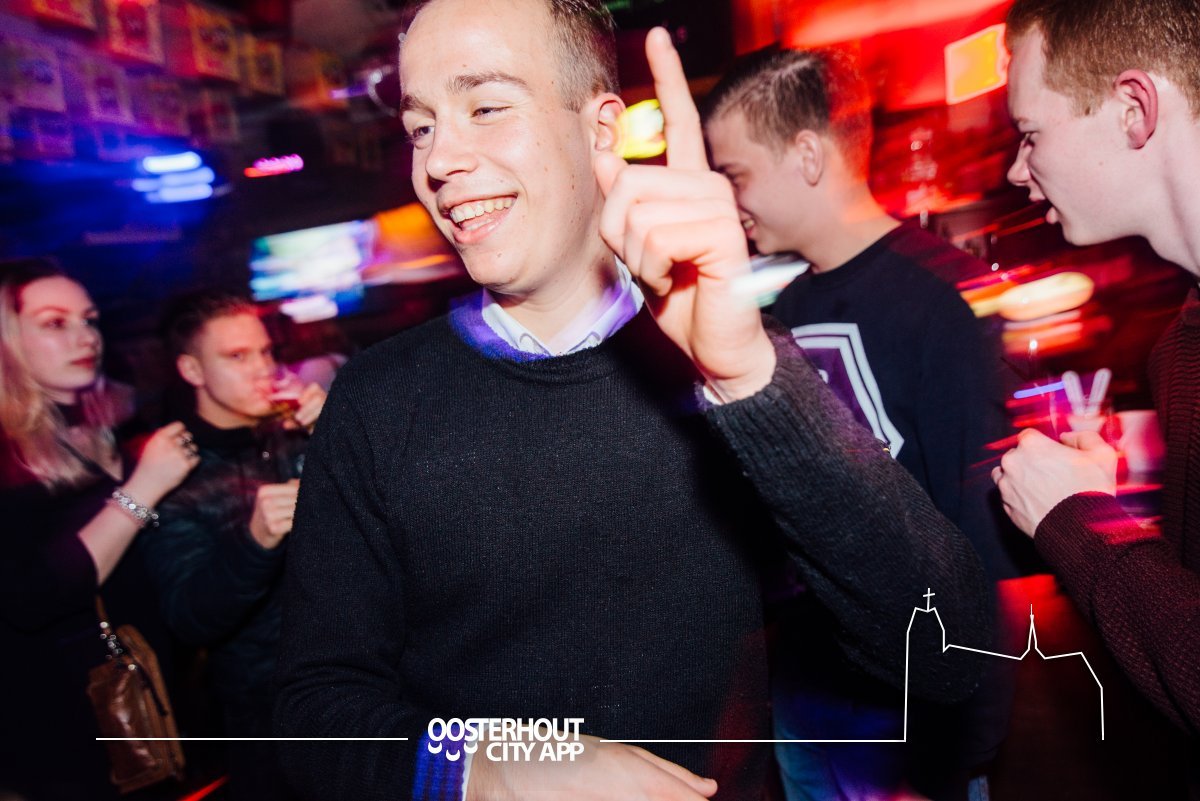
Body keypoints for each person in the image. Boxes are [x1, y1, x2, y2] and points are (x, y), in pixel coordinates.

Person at [273, 2, 994, 800]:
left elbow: (947, 653)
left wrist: (746, 376)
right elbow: (313, 711)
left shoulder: (732, 363)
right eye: (421, 127)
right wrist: (490, 764)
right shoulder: (376, 403)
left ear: (602, 131)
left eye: (486, 107)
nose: (439, 159)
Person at [702, 48, 1015, 801]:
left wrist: (961, 742)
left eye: (735, 174)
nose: (729, 201)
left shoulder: (941, 301)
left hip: (915, 710)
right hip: (810, 692)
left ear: (807, 156)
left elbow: (980, 534)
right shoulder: (781, 309)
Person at [993, 0, 1200, 785]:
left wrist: (1083, 520)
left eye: (1030, 133)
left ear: (1133, 108)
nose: (1016, 169)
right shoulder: (1178, 348)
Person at [0, 259, 198, 801]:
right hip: (59, 726)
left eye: (88, 319)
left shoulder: (113, 425)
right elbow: (31, 596)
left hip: (152, 694)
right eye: (54, 323)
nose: (85, 336)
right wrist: (142, 490)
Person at [141, 291, 325, 801]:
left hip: (369, 682)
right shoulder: (175, 476)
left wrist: (336, 433)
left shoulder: (298, 432)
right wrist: (255, 541)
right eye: (237, 356)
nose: (262, 368)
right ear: (192, 370)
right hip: (267, 716)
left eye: (265, 352)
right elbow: (189, 619)